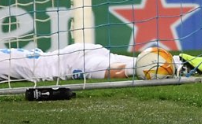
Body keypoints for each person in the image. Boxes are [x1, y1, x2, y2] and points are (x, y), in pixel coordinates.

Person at [0, 43, 137, 82]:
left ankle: (137, 68)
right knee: (143, 61)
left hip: (71, 65)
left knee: (122, 71)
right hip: (75, 51)